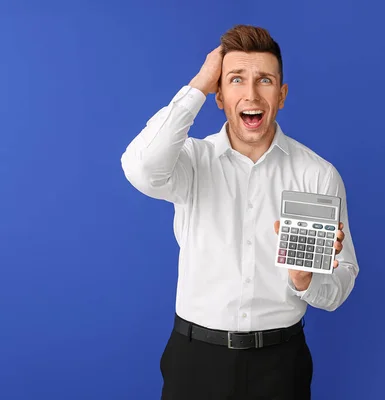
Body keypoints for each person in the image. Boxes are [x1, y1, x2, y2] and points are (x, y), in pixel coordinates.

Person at [120, 24, 359, 400]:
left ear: (281, 95)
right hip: (194, 361)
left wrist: (305, 281)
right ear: (219, 95)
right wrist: (199, 84)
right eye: (235, 79)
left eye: (264, 80)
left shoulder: (316, 174)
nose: (251, 93)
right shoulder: (191, 163)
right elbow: (140, 168)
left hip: (281, 365)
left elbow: (340, 286)